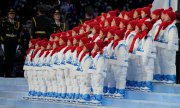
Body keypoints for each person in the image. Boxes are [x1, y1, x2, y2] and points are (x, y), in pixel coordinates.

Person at [154, 10, 179, 84]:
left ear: (170, 17)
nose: (164, 16)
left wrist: (169, 49)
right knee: (163, 63)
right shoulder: (164, 25)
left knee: (169, 63)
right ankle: (164, 77)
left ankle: (171, 78)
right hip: (162, 47)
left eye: (166, 15)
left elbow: (171, 39)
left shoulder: (172, 27)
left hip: (168, 49)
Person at [1, 9, 21, 77]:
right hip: (7, 41)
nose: (12, 15)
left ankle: (11, 72)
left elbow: (18, 34)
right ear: (8, 15)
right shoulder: (4, 23)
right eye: (10, 14)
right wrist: (2, 42)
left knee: (12, 57)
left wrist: (18, 42)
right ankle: (6, 73)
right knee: (6, 57)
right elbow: (2, 33)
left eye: (13, 14)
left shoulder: (17, 23)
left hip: (14, 41)